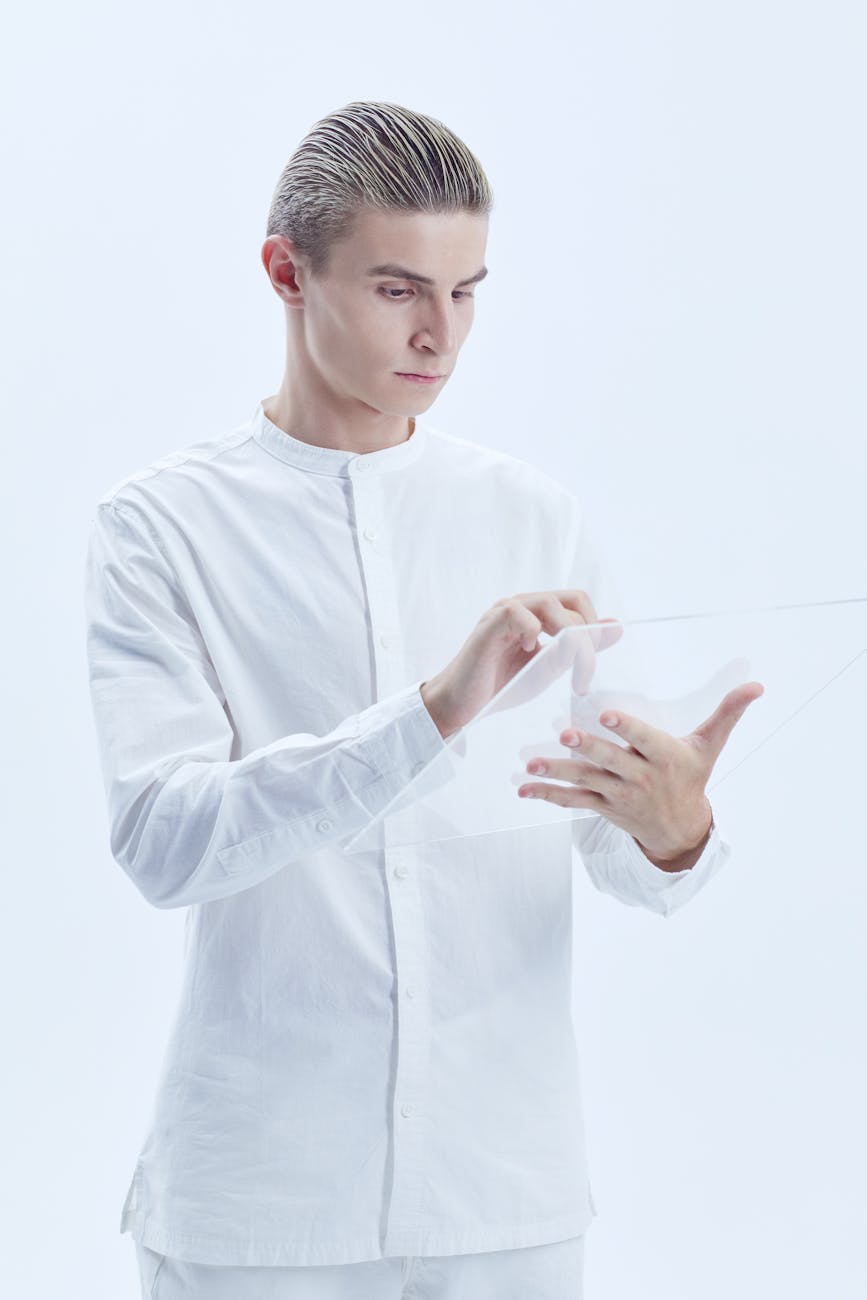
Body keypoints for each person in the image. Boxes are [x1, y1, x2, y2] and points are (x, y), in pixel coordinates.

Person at [84, 100, 761, 1300]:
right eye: (399, 290)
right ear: (285, 272)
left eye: (467, 291)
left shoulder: (536, 518)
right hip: (262, 1208)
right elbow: (165, 841)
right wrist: (429, 714)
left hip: (507, 1198)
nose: (441, 336)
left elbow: (620, 850)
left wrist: (672, 827)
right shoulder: (162, 528)